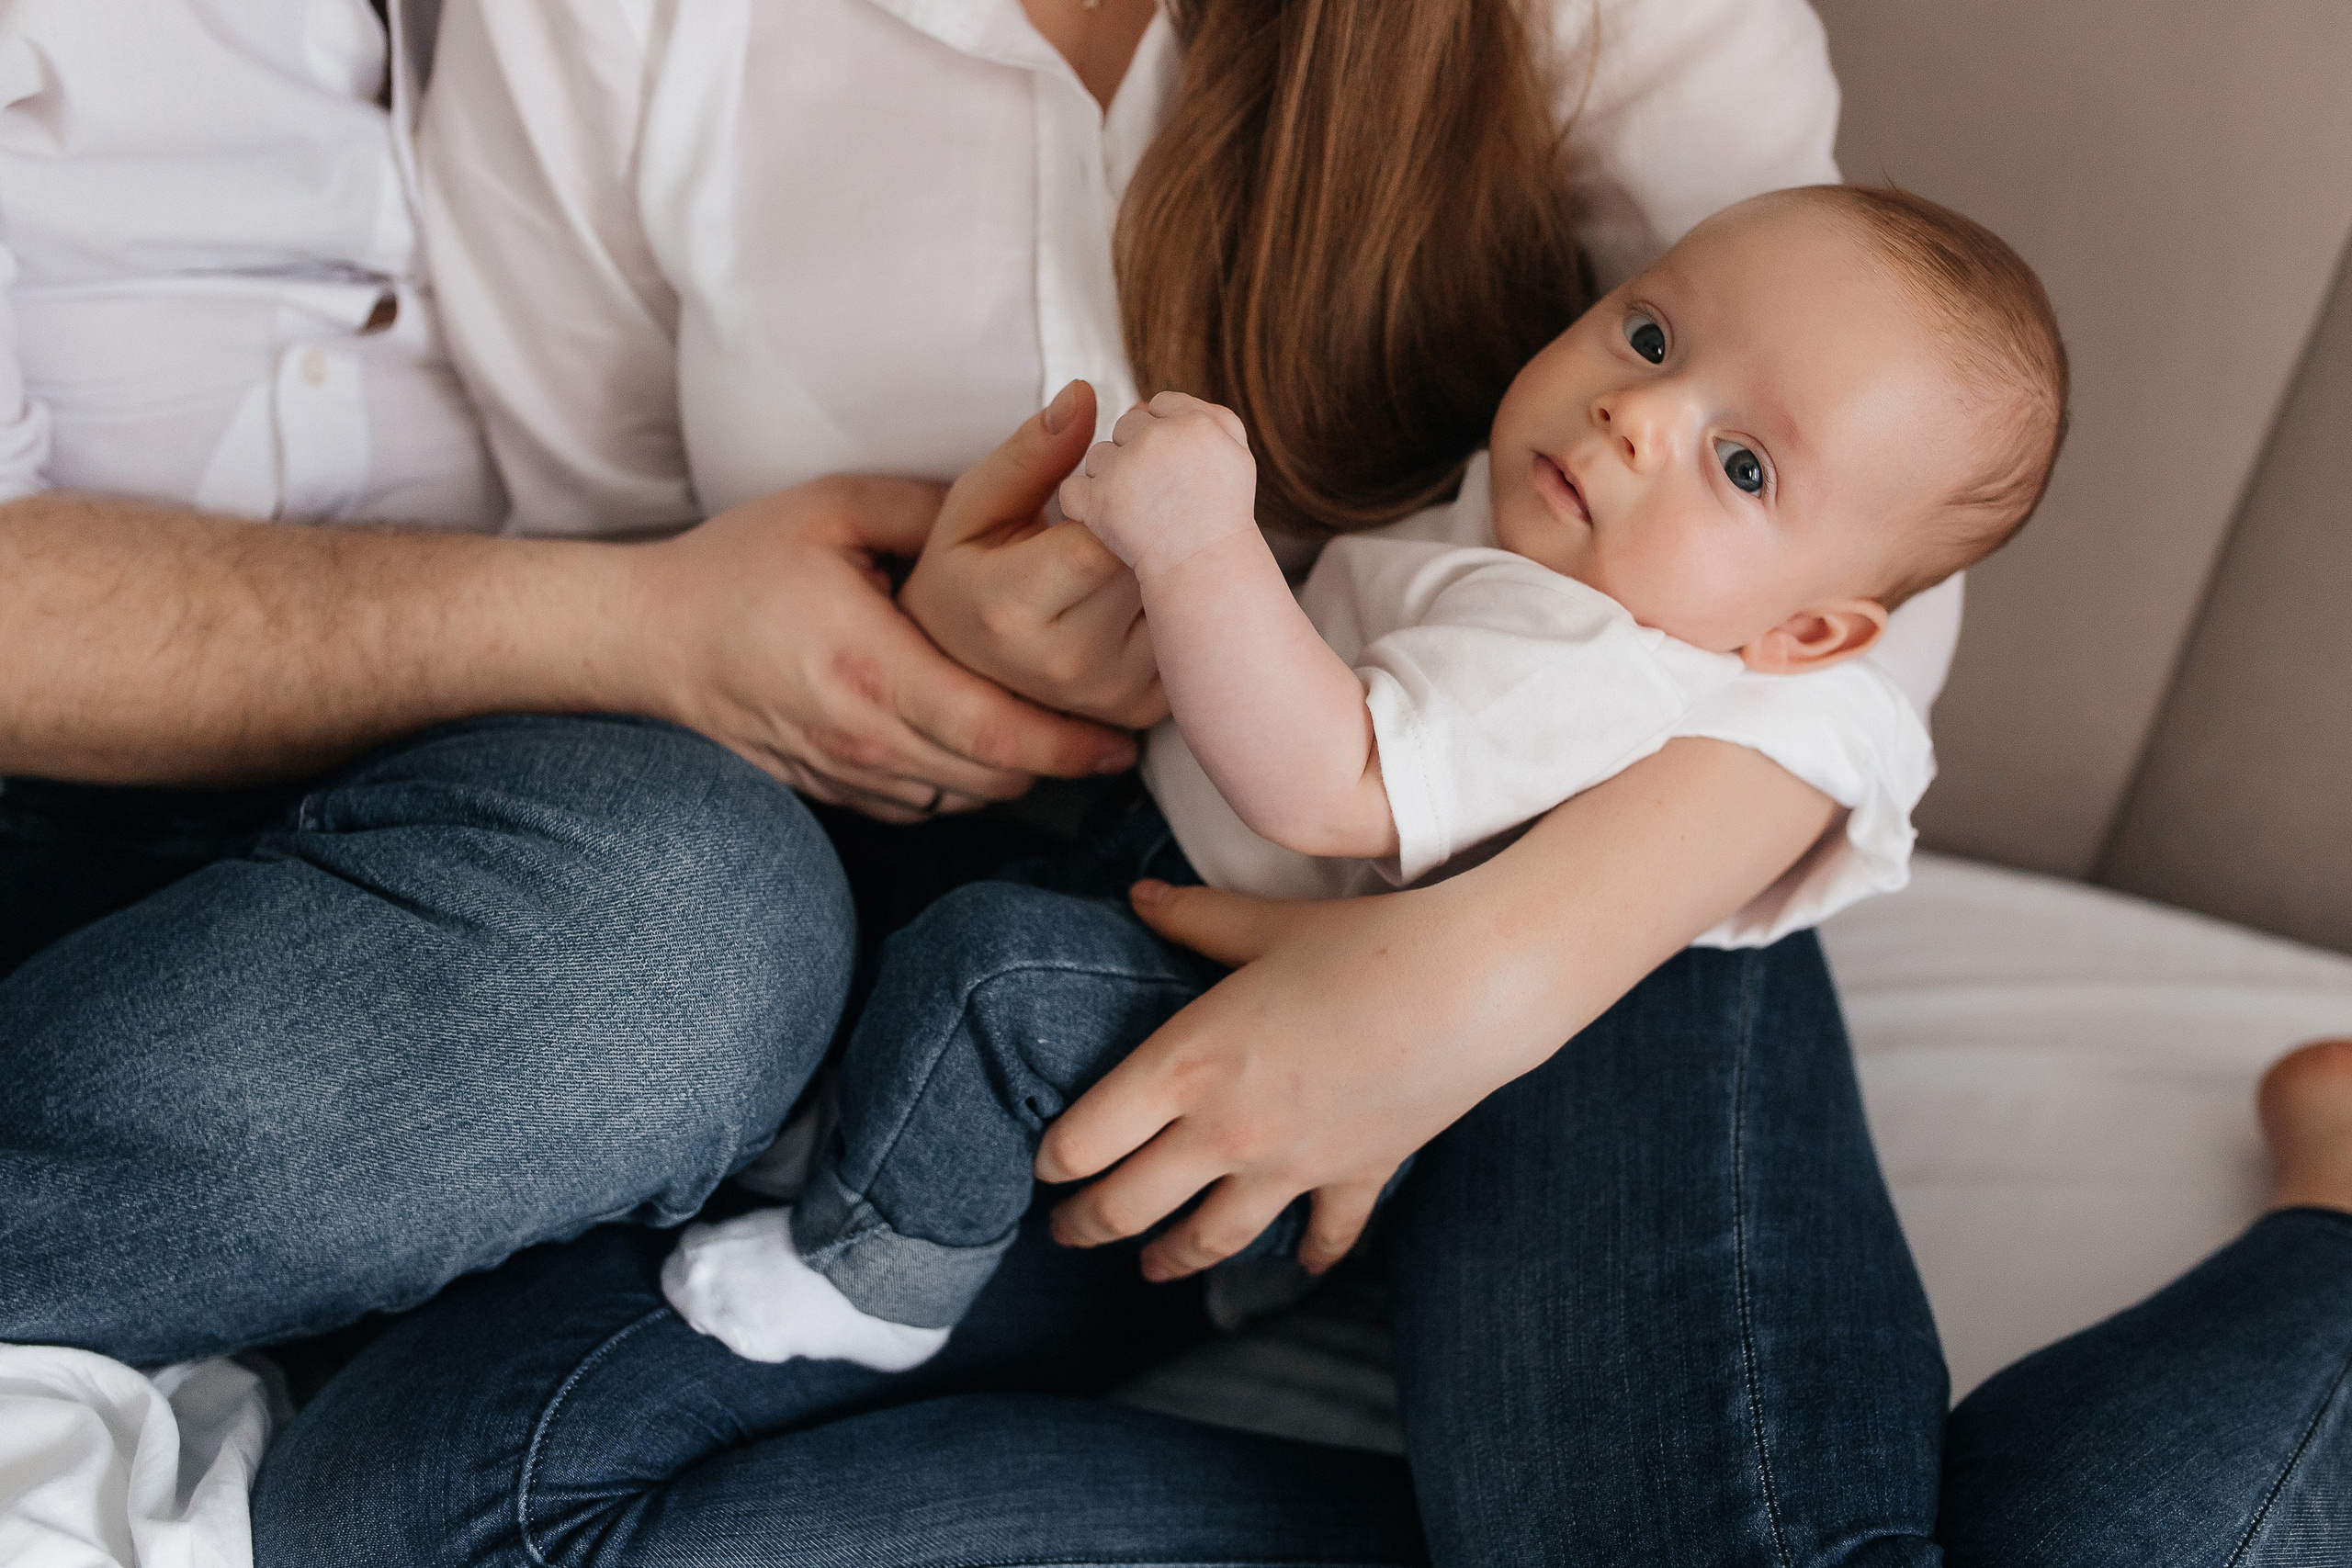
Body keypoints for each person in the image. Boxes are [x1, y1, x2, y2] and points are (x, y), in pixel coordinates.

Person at [253, 3, 1966, 1564]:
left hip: (1613, 904)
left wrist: (1472, 981)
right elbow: (629, 572)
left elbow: (1879, 505)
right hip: (1080, 954)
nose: (1644, 420)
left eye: (1712, 440)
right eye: (1642, 345)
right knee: (412, 1513)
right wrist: (903, 640)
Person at [661, 185, 2069, 1371]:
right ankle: (859, 1121)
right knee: (926, 880)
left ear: (1807, 635)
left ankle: (877, 1281)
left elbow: (1326, 785)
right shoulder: (1514, 522)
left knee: (992, 977)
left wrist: (1197, 542)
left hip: (1253, 1013)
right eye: (1649, 335)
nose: (1640, 414)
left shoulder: (1588, 661)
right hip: (1155, 859)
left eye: (1744, 467)